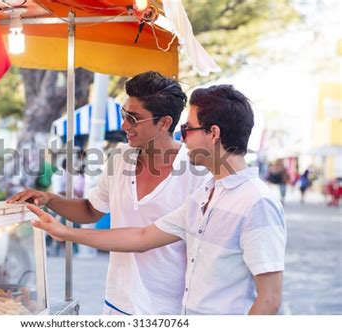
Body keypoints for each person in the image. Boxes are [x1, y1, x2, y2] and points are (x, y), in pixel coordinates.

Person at [27, 85, 286, 315]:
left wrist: (65, 232)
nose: (183, 137)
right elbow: (140, 238)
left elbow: (270, 299)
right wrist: (63, 230)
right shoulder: (206, 193)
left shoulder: (257, 202)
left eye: (187, 129)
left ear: (213, 133)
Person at [8, 71, 209, 315]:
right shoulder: (120, 157)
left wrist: (66, 233)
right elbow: (91, 209)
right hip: (118, 302)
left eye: (134, 119)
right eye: (124, 115)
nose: (125, 125)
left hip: (171, 309)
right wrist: (49, 199)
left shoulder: (197, 170)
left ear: (165, 123)